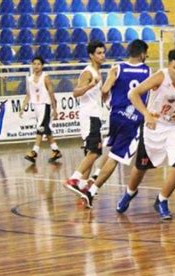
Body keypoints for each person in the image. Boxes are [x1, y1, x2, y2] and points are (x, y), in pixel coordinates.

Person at [115, 49, 175, 219]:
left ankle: (162, 199)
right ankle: (130, 192)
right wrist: (145, 113)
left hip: (174, 127)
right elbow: (133, 94)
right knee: (141, 167)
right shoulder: (160, 77)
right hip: (154, 126)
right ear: (169, 66)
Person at [81, 40, 151, 208]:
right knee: (116, 157)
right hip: (133, 119)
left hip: (116, 115)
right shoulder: (148, 71)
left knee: (112, 149)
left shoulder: (117, 68)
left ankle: (96, 175)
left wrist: (108, 101)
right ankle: (92, 191)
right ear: (142, 54)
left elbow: (104, 90)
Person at [64, 41, 106, 197]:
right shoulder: (88, 72)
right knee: (95, 151)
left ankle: (82, 185)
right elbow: (75, 93)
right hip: (89, 115)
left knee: (91, 151)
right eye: (99, 53)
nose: (102, 56)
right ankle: (74, 179)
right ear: (91, 55)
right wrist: (89, 86)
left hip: (95, 114)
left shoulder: (98, 72)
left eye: (103, 52)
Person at [20, 56, 62, 164]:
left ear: (42, 66)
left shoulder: (45, 77)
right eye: (34, 64)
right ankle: (55, 150)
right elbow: (28, 95)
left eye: (38, 64)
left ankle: (34, 152)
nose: (36, 66)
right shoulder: (29, 79)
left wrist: (54, 108)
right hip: (36, 107)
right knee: (46, 129)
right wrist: (23, 107)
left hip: (45, 105)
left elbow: (51, 93)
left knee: (41, 128)